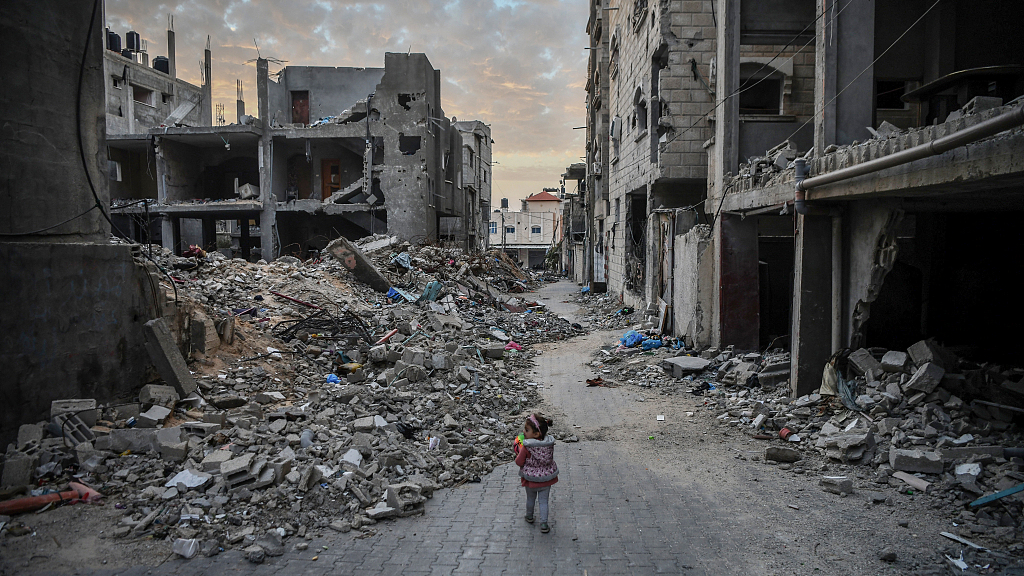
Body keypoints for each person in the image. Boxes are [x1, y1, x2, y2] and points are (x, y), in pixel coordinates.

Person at [513, 413, 558, 533]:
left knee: (530, 499)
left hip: (531, 479)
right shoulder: (549, 445)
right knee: (544, 501)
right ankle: (544, 524)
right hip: (546, 479)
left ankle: (529, 516)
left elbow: (519, 462)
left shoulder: (527, 447)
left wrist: (518, 454)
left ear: (536, 433)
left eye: (527, 430)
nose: (523, 431)